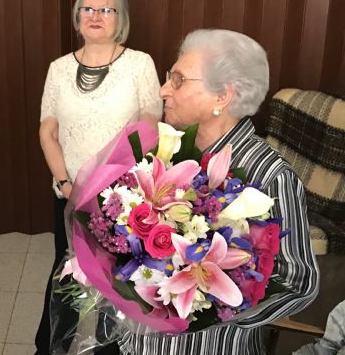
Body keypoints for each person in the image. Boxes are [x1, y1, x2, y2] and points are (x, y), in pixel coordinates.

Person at [117, 28, 319, 354]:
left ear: (222, 96)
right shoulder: (170, 152)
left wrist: (213, 306)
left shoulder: (270, 175)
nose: (164, 89)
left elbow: (299, 284)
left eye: (179, 80)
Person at [36, 0, 163, 354]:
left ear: (119, 18)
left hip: (122, 199)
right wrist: (65, 184)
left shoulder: (140, 64)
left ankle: (111, 349)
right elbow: (47, 132)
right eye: (87, 9)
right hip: (70, 194)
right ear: (77, 18)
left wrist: (114, 185)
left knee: (117, 278)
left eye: (106, 9)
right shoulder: (58, 69)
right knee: (67, 272)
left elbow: (150, 129)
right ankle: (49, 347)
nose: (95, 16)